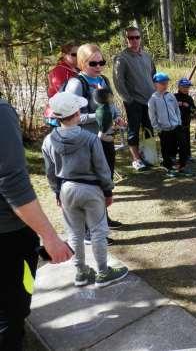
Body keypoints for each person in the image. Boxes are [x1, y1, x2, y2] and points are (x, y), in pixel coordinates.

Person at [0, 99, 73, 351]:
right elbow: (11, 181)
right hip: (9, 237)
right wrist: (50, 239)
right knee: (13, 309)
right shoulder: (1, 112)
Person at [42, 92, 128, 289]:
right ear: (77, 113)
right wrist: (108, 191)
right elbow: (102, 168)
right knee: (98, 231)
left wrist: (57, 192)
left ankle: (81, 272)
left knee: (75, 233)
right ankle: (103, 272)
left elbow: (49, 172)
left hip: (66, 189)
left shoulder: (48, 141)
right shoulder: (90, 139)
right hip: (91, 189)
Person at [65, 44, 123, 233]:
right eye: (93, 63)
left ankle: (103, 218)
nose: (98, 66)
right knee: (92, 186)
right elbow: (71, 117)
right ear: (82, 63)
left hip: (105, 139)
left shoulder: (103, 80)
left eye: (101, 62)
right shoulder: (77, 84)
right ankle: (92, 229)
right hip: (87, 143)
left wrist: (116, 116)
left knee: (105, 182)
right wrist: (97, 116)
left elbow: (110, 105)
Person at [113, 27, 156, 171]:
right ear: (126, 39)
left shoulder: (147, 56)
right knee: (134, 130)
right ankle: (136, 159)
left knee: (149, 128)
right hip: (134, 102)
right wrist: (128, 99)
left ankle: (149, 156)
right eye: (131, 38)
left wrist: (157, 94)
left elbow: (154, 76)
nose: (134, 40)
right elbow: (119, 82)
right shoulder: (121, 58)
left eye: (137, 37)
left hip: (149, 100)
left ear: (140, 38)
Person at [148, 73, 190, 177]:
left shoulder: (170, 96)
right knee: (166, 149)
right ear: (155, 84)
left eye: (166, 83)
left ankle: (182, 167)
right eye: (162, 83)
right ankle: (169, 168)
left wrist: (179, 122)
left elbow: (177, 110)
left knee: (184, 146)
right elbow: (152, 116)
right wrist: (158, 129)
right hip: (164, 129)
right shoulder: (153, 99)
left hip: (176, 126)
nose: (165, 85)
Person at [44, 43, 79, 127]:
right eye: (74, 54)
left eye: (80, 54)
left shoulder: (78, 69)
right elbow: (62, 94)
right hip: (58, 116)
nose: (78, 57)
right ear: (64, 55)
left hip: (71, 114)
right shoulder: (59, 70)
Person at [174, 78, 196, 162]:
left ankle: (188, 156)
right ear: (179, 87)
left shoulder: (189, 99)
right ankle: (173, 156)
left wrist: (189, 107)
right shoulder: (174, 97)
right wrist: (178, 104)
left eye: (187, 87)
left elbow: (194, 110)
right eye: (184, 87)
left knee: (186, 140)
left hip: (186, 123)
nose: (186, 89)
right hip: (175, 124)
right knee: (175, 141)